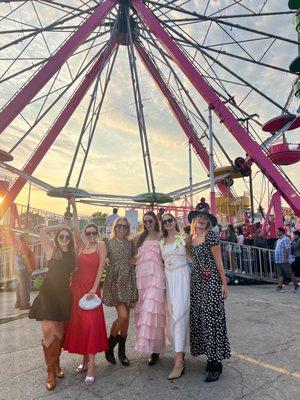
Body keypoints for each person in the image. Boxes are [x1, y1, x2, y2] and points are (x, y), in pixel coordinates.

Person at [63, 198, 108, 384]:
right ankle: (83, 359)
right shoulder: (81, 247)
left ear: (97, 233)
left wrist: (94, 288)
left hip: (91, 290)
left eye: (93, 233)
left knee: (91, 325)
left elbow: (100, 269)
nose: (90, 235)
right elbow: (74, 228)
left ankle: (91, 364)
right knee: (81, 325)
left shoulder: (100, 246)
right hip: (78, 289)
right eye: (88, 233)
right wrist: (73, 206)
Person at [28, 224, 76, 390]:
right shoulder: (51, 250)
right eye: (61, 236)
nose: (64, 239)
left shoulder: (72, 255)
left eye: (66, 237)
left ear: (70, 240)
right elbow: (41, 231)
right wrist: (60, 226)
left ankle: (56, 365)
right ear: (57, 238)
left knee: (59, 332)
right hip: (48, 294)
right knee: (48, 331)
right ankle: (50, 373)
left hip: (63, 296)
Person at [187, 209, 230, 383]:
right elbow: (189, 255)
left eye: (205, 218)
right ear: (194, 220)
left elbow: (219, 262)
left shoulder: (211, 236)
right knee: (200, 319)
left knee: (211, 318)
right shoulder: (191, 238)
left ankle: (216, 363)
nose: (202, 220)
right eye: (199, 217)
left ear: (209, 222)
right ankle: (210, 358)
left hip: (211, 280)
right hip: (197, 281)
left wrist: (224, 283)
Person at [103, 216, 138, 366]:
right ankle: (109, 345)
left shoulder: (131, 243)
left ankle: (122, 351)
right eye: (119, 226)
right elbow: (101, 257)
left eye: (124, 226)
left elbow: (138, 256)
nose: (121, 229)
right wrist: (104, 260)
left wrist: (134, 260)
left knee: (126, 318)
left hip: (128, 280)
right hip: (115, 282)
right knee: (122, 316)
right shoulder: (107, 242)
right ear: (115, 227)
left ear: (128, 228)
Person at [160, 213, 190, 380]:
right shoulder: (161, 243)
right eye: (164, 221)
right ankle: (179, 351)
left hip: (181, 277)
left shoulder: (184, 238)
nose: (167, 223)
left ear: (175, 221)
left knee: (180, 314)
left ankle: (179, 360)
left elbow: (196, 255)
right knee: (171, 318)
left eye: (170, 220)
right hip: (168, 280)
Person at [134, 211, 166, 365]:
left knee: (153, 311)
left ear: (155, 220)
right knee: (145, 313)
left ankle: (155, 350)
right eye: (145, 221)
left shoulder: (161, 236)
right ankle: (152, 348)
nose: (148, 223)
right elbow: (133, 257)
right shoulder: (140, 238)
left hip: (157, 276)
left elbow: (167, 255)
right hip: (142, 278)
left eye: (150, 220)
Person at [274, 227, 299, 292]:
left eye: (278, 231)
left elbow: (287, 249)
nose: (276, 232)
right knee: (280, 274)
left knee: (289, 274)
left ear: (281, 232)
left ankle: (297, 285)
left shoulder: (285, 239)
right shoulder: (279, 240)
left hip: (284, 260)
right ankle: (280, 287)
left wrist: (286, 258)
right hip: (278, 260)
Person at [15, 232, 36, 310]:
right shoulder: (24, 246)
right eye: (29, 237)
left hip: (20, 269)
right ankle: (25, 304)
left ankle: (18, 302)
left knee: (20, 286)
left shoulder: (21, 246)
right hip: (25, 270)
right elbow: (25, 258)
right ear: (25, 238)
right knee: (25, 287)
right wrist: (29, 268)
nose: (30, 238)